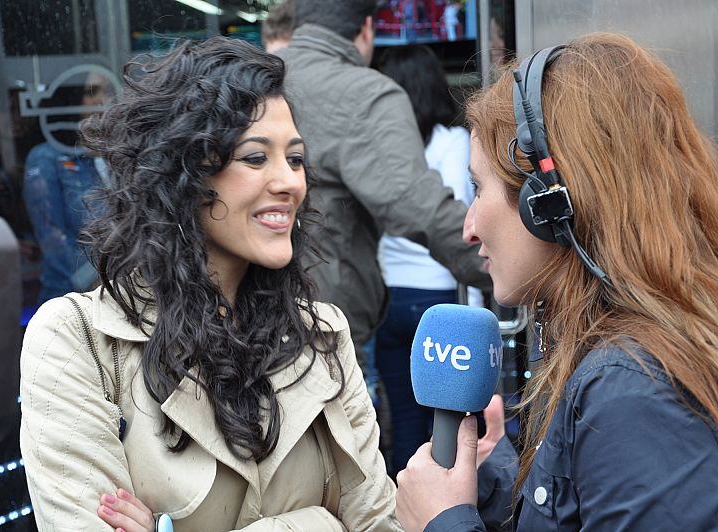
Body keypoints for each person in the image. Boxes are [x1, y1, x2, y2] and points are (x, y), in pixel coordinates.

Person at [19, 37, 400, 532]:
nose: (290, 181)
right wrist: (320, 524)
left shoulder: (323, 333)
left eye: (297, 158)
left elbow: (379, 523)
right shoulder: (77, 341)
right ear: (183, 175)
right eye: (256, 158)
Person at [395, 32, 718, 531]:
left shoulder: (634, 392)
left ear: (550, 203)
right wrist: (497, 478)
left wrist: (443, 522)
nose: (468, 228)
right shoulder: (614, 360)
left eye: (478, 189)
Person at [277, 0, 489, 366]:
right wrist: (501, 260)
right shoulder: (364, 93)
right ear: (367, 30)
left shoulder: (254, 81)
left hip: (237, 315)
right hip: (323, 323)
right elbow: (415, 205)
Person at [374, 44, 481, 477]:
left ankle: (404, 514)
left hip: (388, 301)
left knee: (403, 422)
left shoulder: (379, 151)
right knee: (446, 429)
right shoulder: (452, 142)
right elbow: (458, 223)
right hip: (439, 306)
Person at [22, 72, 111, 305]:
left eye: (105, 91)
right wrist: (93, 279)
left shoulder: (109, 154)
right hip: (71, 299)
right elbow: (52, 237)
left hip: (114, 292)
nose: (101, 99)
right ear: (70, 98)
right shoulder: (46, 158)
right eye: (90, 92)